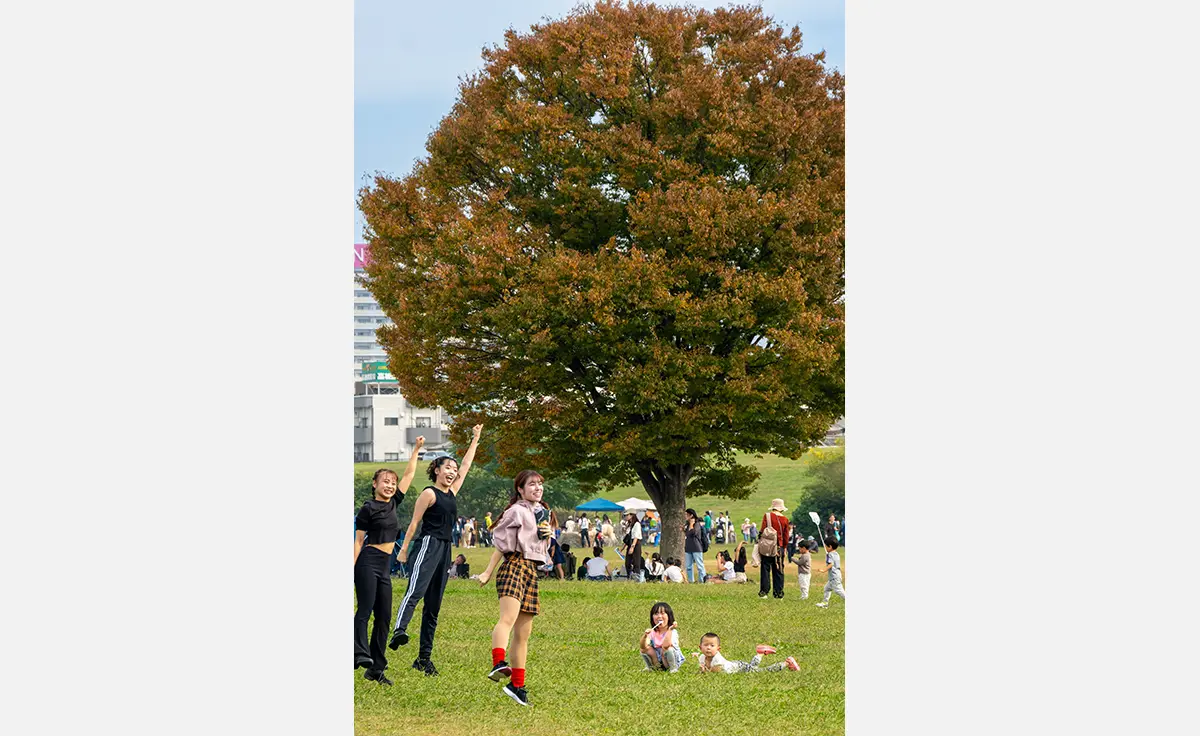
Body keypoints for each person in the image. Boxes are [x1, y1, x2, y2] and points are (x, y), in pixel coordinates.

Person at [388, 424, 483, 677]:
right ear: (437, 471)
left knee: (433, 606)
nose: (452, 472)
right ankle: (399, 629)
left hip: (445, 549)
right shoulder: (429, 494)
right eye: (447, 468)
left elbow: (466, 466)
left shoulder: (452, 491)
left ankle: (424, 659)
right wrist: (404, 549)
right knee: (416, 591)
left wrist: (475, 439)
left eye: (453, 469)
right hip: (427, 544)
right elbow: (414, 523)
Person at [478, 469, 555, 707]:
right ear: (520, 489)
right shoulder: (516, 511)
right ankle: (498, 662)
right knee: (507, 619)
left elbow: (542, 547)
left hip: (532, 571)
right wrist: (487, 572)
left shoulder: (542, 513)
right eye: (531, 484)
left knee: (524, 634)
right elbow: (501, 546)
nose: (537, 488)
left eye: (540, 484)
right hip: (514, 566)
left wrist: (549, 535)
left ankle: (517, 686)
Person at [354, 437, 426, 685]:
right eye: (385, 481)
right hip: (367, 561)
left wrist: (416, 450)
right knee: (365, 610)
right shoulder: (368, 508)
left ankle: (376, 668)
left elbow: (408, 475)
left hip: (385, 565)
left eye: (392, 482)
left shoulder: (394, 502)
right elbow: (358, 541)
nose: (390, 485)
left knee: (383, 616)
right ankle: (359, 653)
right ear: (374, 484)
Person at [695, 633, 799, 674]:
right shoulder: (702, 657)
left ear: (718, 649)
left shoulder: (717, 659)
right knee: (756, 668)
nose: (708, 648)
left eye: (712, 646)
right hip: (734, 665)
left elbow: (714, 673)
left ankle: (786, 663)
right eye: (706, 645)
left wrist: (703, 671)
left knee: (761, 671)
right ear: (700, 647)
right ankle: (761, 654)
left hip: (739, 667)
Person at [757, 498, 791, 599]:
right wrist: (784, 547)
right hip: (779, 547)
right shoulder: (785, 519)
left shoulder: (767, 516)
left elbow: (762, 530)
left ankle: (764, 592)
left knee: (765, 568)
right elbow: (786, 536)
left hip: (767, 546)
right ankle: (778, 593)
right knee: (779, 569)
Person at [638, 602, 684, 673]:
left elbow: (666, 646)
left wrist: (669, 630)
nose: (659, 616)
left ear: (669, 617)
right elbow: (643, 647)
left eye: (662, 613)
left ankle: (673, 668)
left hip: (669, 660)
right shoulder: (652, 632)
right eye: (656, 614)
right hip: (658, 660)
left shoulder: (672, 632)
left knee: (668, 649)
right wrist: (645, 636)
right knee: (645, 649)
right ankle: (652, 667)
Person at [815, 538, 846, 608]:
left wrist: (823, 570)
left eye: (826, 546)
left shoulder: (830, 555)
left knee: (839, 591)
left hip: (834, 577)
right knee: (827, 588)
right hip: (835, 576)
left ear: (830, 547)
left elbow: (831, 564)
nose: (825, 548)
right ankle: (825, 603)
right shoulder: (836, 554)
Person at [683, 508, 708, 583]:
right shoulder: (687, 524)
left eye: (687, 515)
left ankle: (702, 580)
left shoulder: (696, 524)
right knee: (688, 566)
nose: (685, 516)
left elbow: (693, 533)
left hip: (696, 547)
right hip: (688, 547)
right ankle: (691, 580)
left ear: (691, 515)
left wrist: (691, 525)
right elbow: (687, 534)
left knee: (699, 565)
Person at [621, 512, 644, 582]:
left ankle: (637, 577)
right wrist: (623, 548)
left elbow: (636, 537)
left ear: (631, 515)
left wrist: (632, 547)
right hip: (630, 543)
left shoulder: (637, 524)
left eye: (627, 515)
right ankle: (629, 577)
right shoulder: (630, 525)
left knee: (636, 562)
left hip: (636, 544)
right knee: (627, 563)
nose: (626, 517)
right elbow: (628, 537)